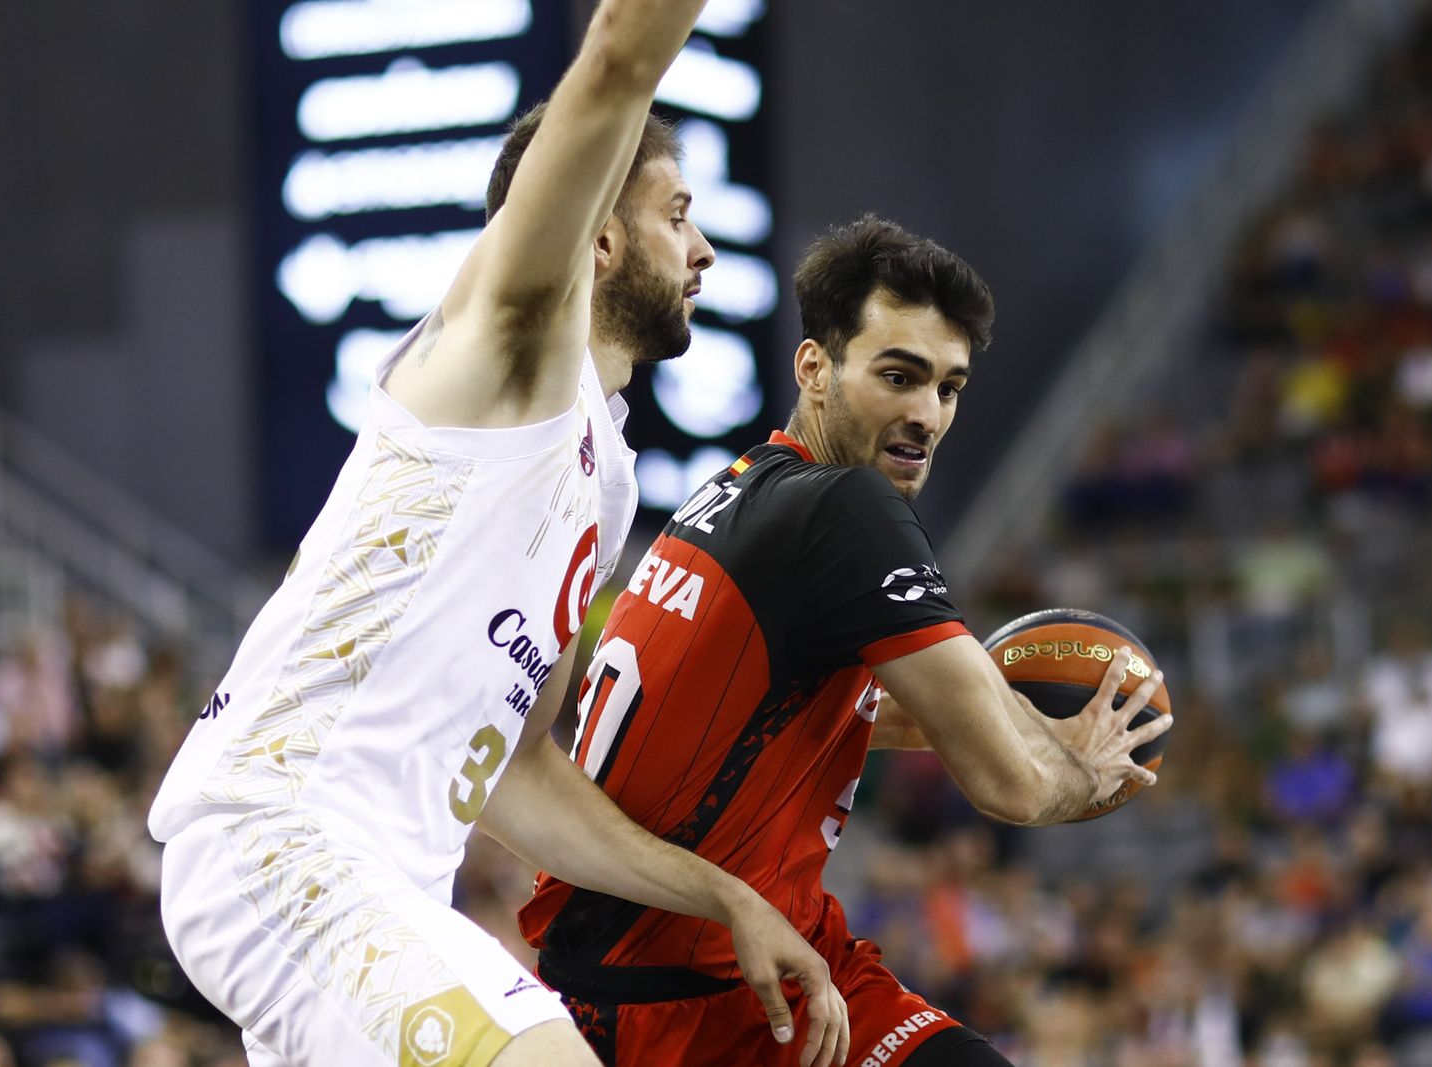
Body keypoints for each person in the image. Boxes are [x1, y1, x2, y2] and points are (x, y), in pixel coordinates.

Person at [148, 3, 850, 1065]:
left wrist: (727, 898)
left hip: (385, 881)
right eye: (677, 213)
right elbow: (617, 58)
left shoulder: (603, 481)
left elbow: (518, 773)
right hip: (281, 837)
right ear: (598, 238)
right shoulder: (511, 358)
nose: (704, 248)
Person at [519, 216, 1173, 1066]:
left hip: (750, 959)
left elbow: (811, 702)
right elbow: (1009, 787)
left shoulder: (740, 489)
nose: (925, 414)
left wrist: (1006, 712)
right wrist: (1087, 773)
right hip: (687, 998)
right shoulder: (848, 510)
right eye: (898, 376)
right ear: (815, 368)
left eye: (948, 387)